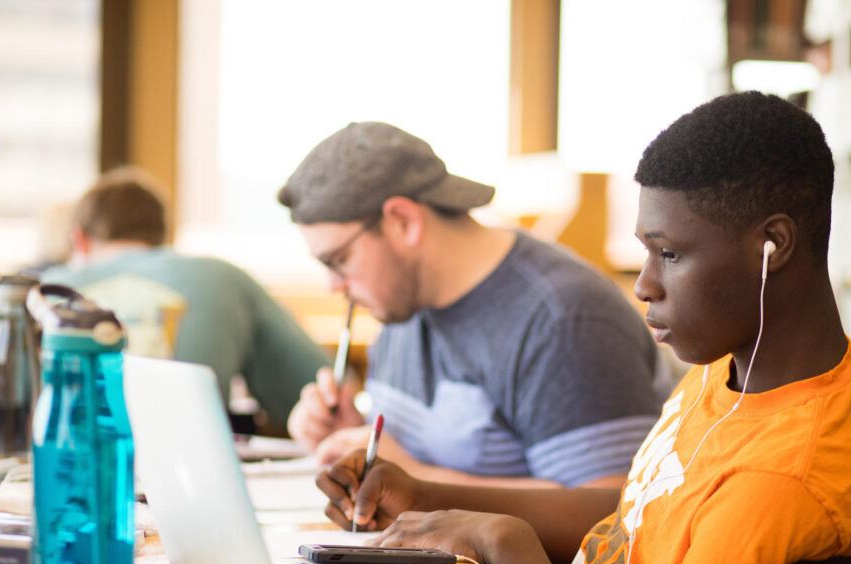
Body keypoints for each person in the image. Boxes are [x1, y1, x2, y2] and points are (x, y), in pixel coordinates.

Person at [314, 92, 851, 564]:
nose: (643, 285)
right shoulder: (740, 371)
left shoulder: (776, 476)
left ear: (774, 246)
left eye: (669, 253)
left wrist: (503, 539)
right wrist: (425, 496)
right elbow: (639, 515)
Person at [279, 122, 670, 488]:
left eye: (339, 260)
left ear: (403, 222)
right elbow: (425, 454)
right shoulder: (400, 300)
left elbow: (612, 517)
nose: (334, 285)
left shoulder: (566, 320)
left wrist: (416, 482)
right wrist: (351, 434)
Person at [0, 166, 330, 430]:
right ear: (165, 238)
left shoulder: (48, 291)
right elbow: (318, 392)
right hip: (193, 496)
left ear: (78, 238)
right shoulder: (223, 277)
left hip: (74, 484)